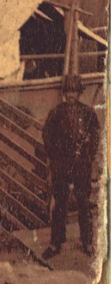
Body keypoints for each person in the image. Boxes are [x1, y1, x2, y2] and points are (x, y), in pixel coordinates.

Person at [41, 73, 101, 259]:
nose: (71, 95)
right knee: (60, 204)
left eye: (74, 91)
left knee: (84, 203)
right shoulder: (56, 113)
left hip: (81, 165)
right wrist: (55, 156)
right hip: (62, 165)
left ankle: (87, 242)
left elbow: (96, 135)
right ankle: (56, 243)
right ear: (64, 93)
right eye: (68, 91)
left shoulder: (89, 113)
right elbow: (47, 135)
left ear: (80, 93)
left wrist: (88, 156)